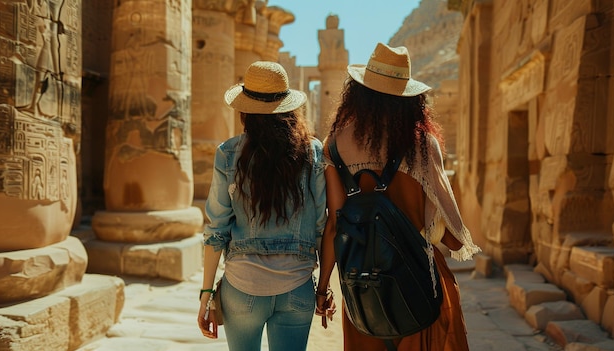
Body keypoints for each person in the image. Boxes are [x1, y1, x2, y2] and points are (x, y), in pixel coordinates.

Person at [314, 43, 481, 351]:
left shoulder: (334, 144)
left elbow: (335, 225)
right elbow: (445, 222)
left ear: (359, 93)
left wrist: (323, 288)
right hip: (417, 275)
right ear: (410, 99)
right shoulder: (422, 143)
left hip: (362, 279)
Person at [197, 61, 330, 351]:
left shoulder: (228, 153)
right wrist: (322, 290)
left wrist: (206, 293)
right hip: (297, 287)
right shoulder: (312, 152)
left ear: (244, 111)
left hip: (242, 287)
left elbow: (216, 228)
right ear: (288, 108)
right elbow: (323, 224)